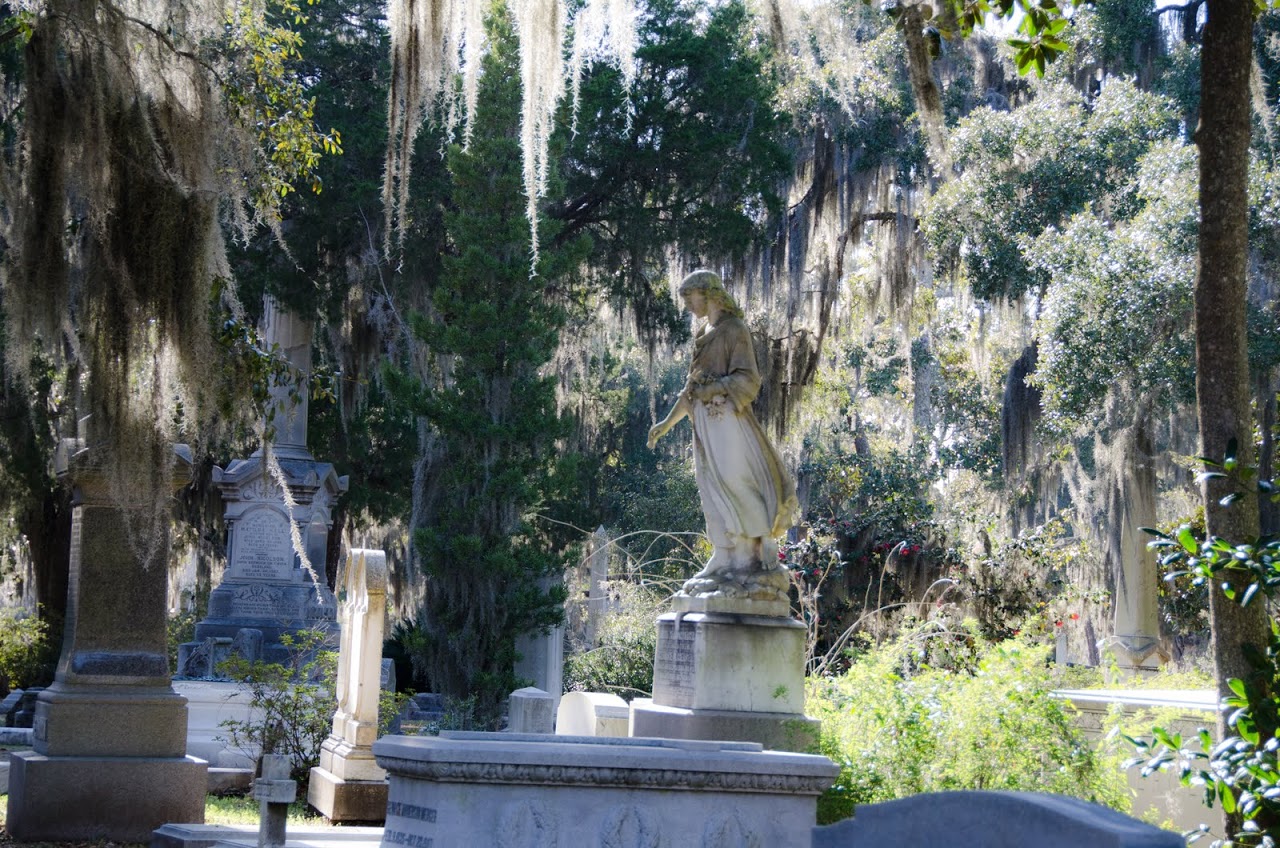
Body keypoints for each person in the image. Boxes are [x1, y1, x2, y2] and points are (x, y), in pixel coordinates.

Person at [647, 270, 799, 601]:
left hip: (726, 418)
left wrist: (715, 387)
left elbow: (749, 379)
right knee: (710, 487)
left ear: (709, 293)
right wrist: (666, 423)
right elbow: (689, 391)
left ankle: (757, 554)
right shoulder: (704, 333)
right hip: (704, 424)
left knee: (735, 481)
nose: (688, 305)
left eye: (690, 298)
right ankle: (724, 552)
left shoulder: (734, 330)